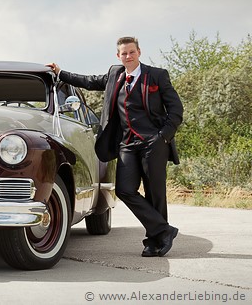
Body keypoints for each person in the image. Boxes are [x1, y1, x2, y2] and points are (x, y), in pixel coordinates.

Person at [47, 36, 183, 257]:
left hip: (153, 143)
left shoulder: (157, 75)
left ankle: (153, 241)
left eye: (131, 52)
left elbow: (176, 110)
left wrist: (162, 137)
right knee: (124, 189)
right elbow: (89, 81)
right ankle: (164, 230)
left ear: (139, 52)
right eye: (123, 53)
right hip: (127, 144)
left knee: (154, 192)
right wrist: (61, 73)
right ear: (118, 56)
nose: (128, 56)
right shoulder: (114, 75)